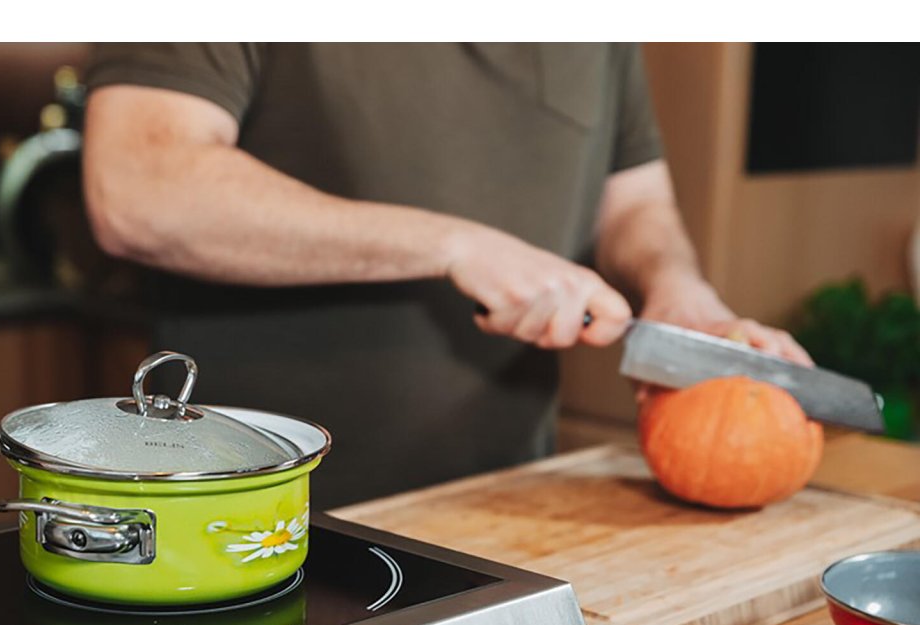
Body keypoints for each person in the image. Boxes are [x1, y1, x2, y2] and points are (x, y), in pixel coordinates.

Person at [82, 43, 811, 510]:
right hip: (254, 517)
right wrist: (454, 245)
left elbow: (636, 203)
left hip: (508, 515)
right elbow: (139, 189)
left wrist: (679, 291)